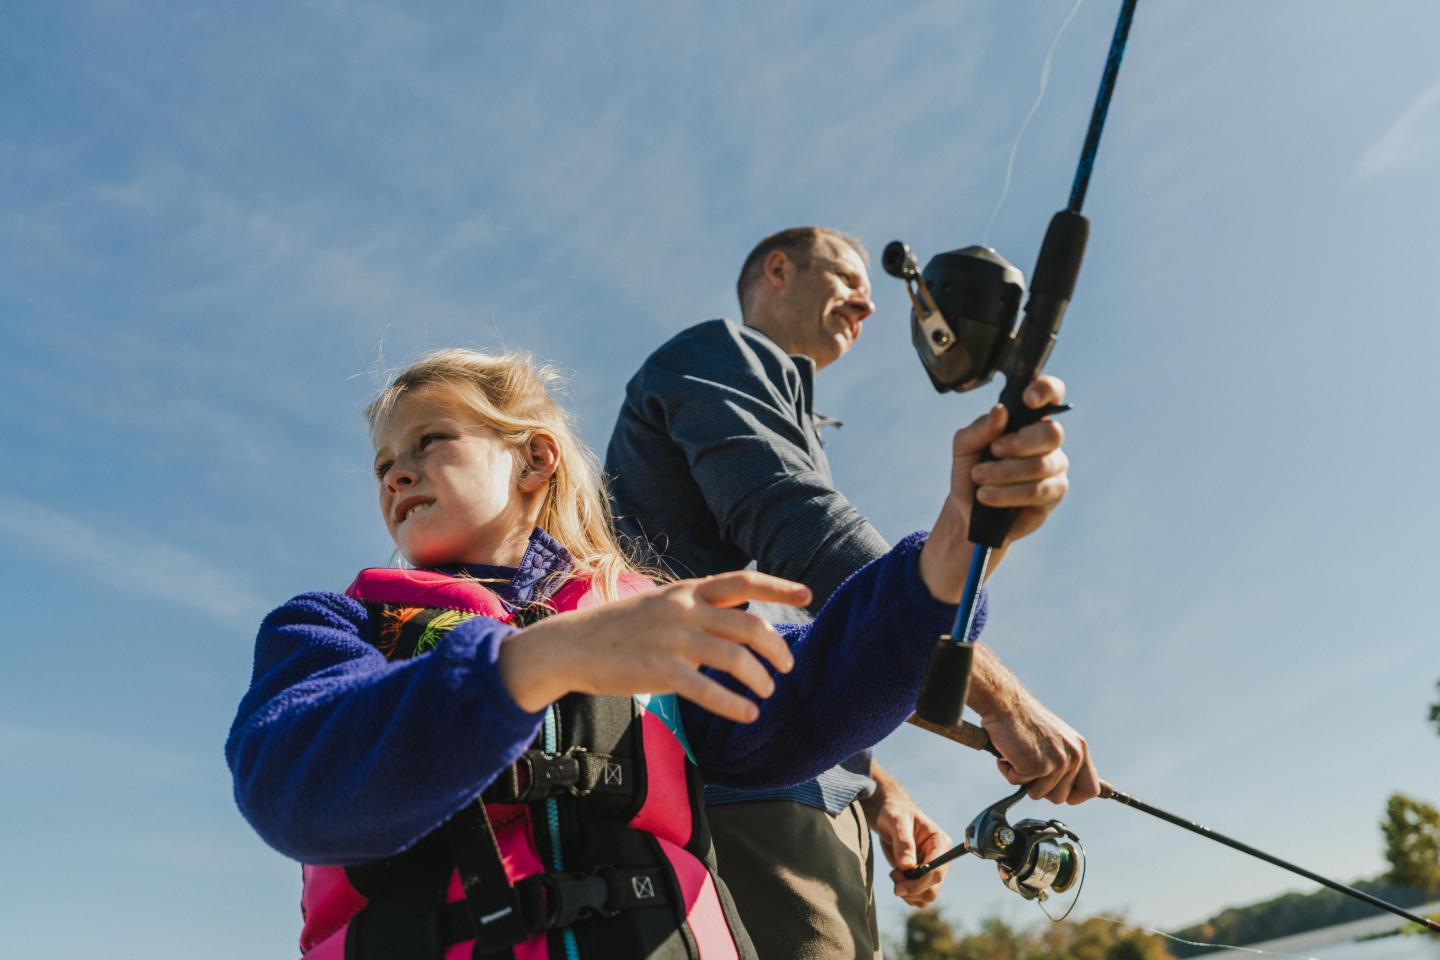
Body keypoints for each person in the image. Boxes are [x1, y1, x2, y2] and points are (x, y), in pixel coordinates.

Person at [225, 347, 1073, 959]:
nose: (396, 476)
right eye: (382, 464)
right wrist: (534, 664)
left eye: (429, 443)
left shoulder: (644, 617)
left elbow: (806, 695)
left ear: (535, 460)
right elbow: (290, 782)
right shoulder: (331, 627)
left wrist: (961, 542)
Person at [606, 226, 1099, 958]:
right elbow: (805, 533)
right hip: (748, 803)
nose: (870, 304)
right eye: (846, 278)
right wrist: (1003, 698)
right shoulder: (718, 355)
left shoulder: (778, 402)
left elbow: (799, 636)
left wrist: (872, 786)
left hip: (804, 791)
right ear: (778, 270)